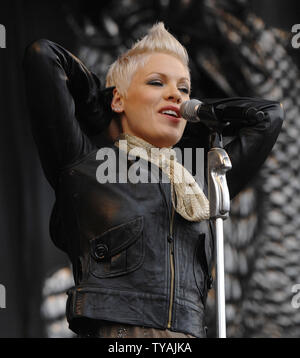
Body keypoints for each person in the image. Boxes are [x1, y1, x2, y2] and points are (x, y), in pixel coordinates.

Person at [23, 22, 283, 338]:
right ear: (119, 100)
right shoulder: (85, 164)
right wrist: (103, 105)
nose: (175, 93)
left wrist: (201, 113)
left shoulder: (196, 183)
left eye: (184, 89)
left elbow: (268, 118)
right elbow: (43, 56)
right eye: (157, 83)